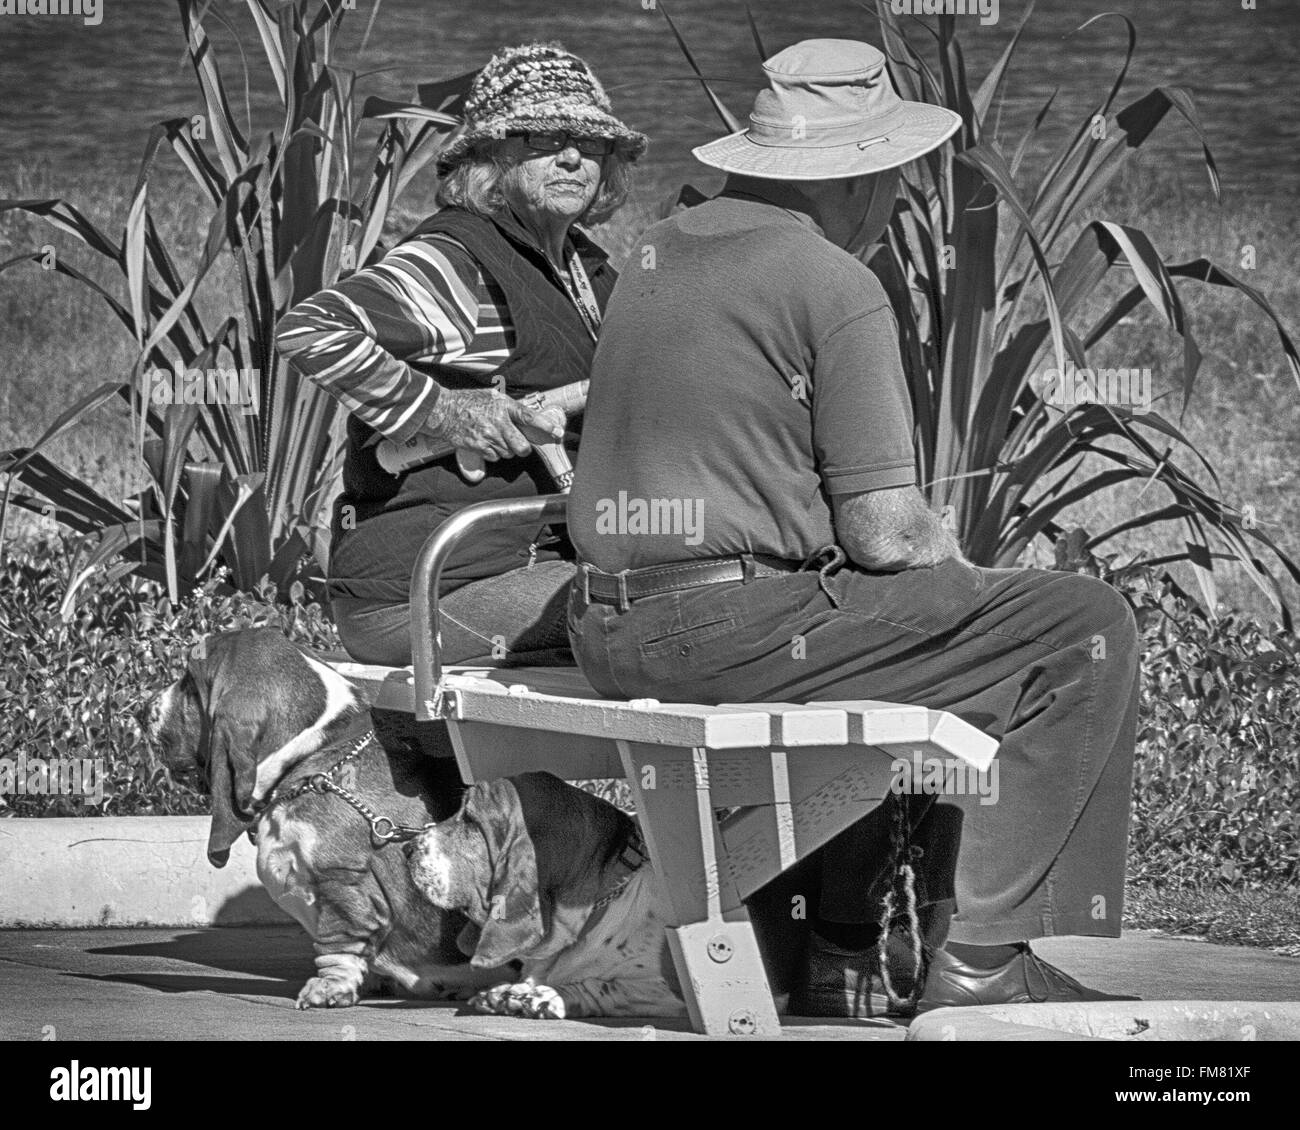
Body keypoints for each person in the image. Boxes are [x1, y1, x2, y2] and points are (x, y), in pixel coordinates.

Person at [565, 38, 1140, 1017]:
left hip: (608, 630)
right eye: (896, 174)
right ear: (860, 176)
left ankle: (842, 945)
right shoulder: (832, 281)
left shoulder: (655, 252)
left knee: (922, 640)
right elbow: (883, 532)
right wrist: (954, 559)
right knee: (1081, 624)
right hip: (728, 634)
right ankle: (983, 958)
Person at [277, 42, 645, 666]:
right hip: (422, 594)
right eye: (543, 138)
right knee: (658, 608)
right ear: (490, 155)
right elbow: (313, 329)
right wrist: (445, 412)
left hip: (523, 569)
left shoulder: (585, 270)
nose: (573, 156)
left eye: (591, 142)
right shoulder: (458, 264)